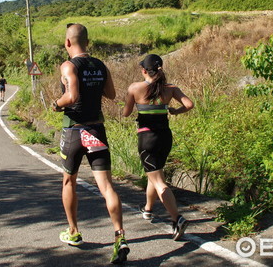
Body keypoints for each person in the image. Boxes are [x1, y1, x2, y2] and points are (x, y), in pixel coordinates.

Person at [52, 23, 130, 264]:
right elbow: (112, 94)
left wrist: (57, 103)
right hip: (96, 129)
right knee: (107, 187)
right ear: (88, 42)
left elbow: (72, 96)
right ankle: (120, 237)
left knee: (69, 181)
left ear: (67, 43)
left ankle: (73, 232)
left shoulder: (68, 65)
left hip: (75, 131)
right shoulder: (100, 65)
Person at [123, 54, 194, 240]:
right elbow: (189, 104)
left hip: (147, 139)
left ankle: (177, 218)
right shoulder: (170, 89)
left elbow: (126, 113)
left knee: (159, 181)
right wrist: (174, 111)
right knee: (155, 174)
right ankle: (148, 209)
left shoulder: (135, 88)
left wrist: (131, 102)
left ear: (144, 71)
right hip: (165, 137)